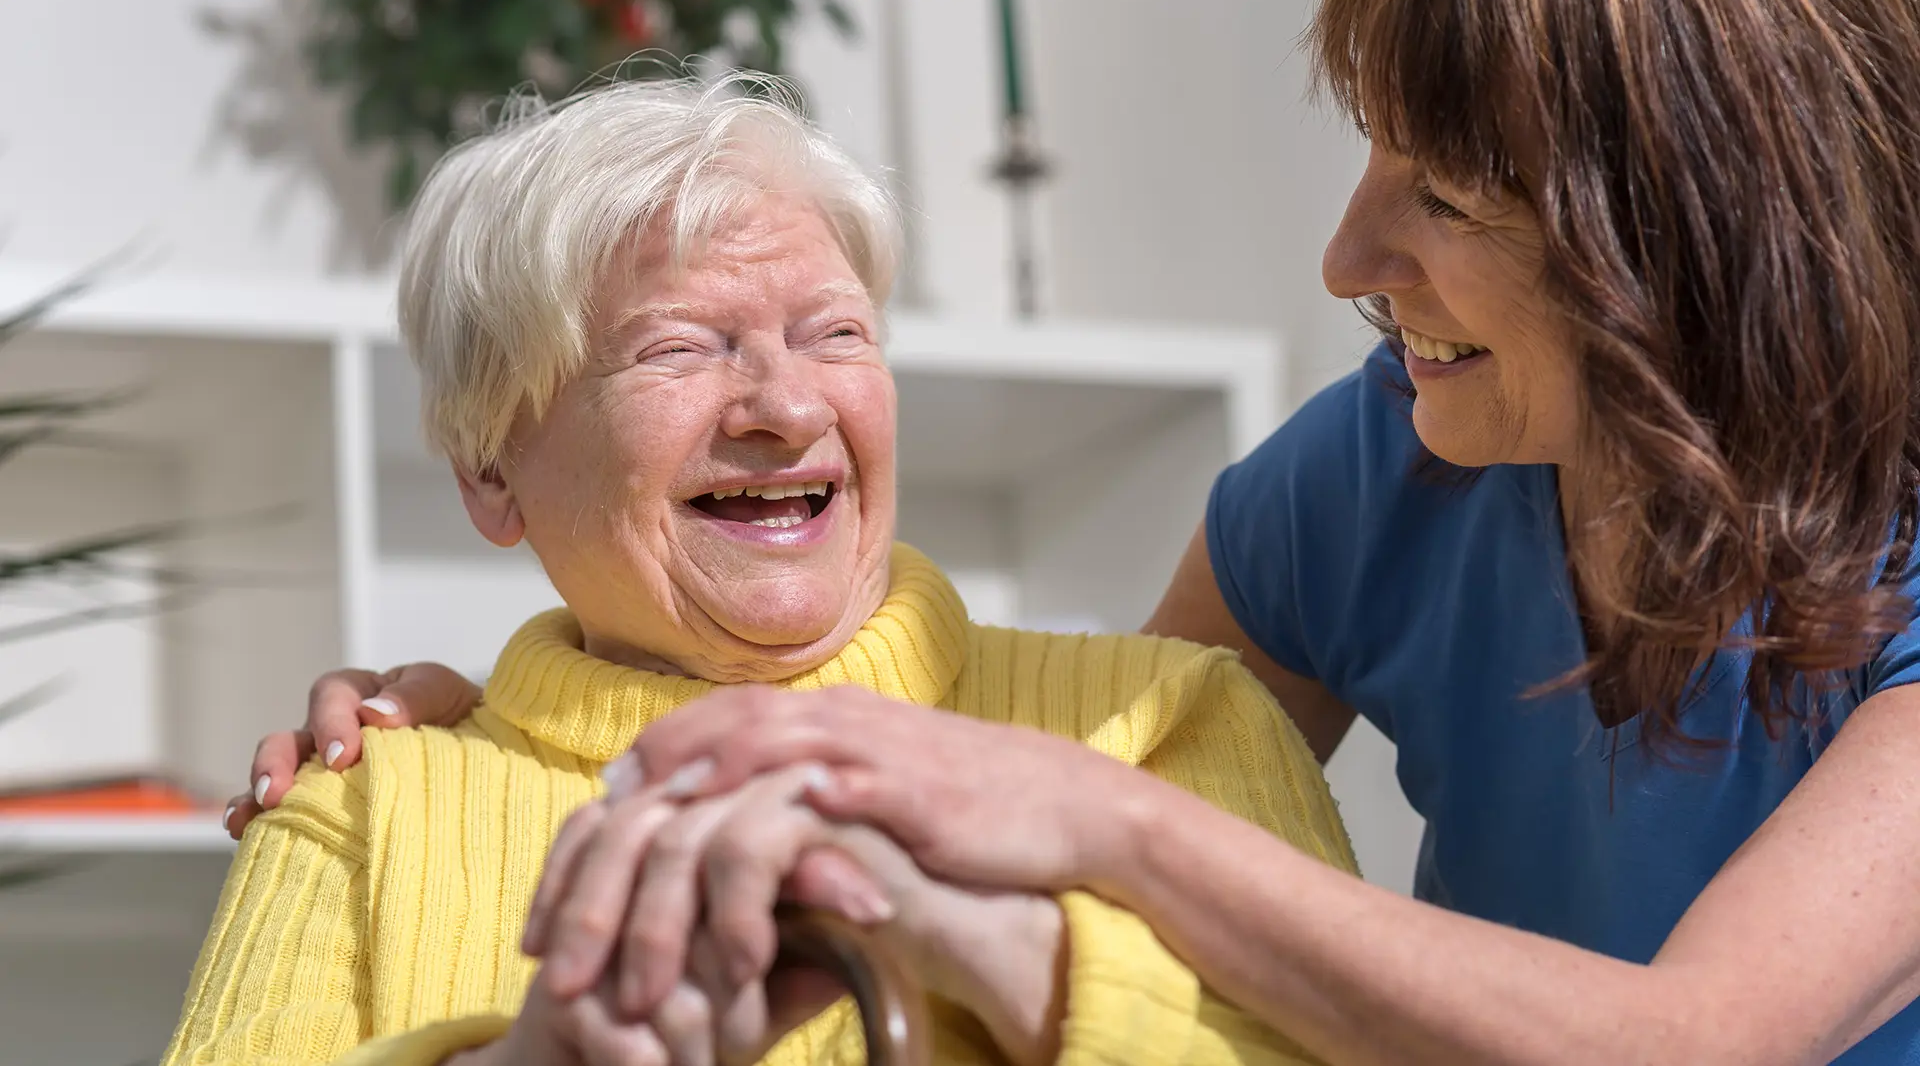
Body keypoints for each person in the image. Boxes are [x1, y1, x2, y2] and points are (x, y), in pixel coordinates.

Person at [235, 0, 1920, 1063]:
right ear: (488, 470)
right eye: (678, 348)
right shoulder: (1377, 471)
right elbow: (1071, 824)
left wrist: (1097, 823)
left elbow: (1696, 1045)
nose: (1345, 255)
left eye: (1449, 194)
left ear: (1685, 247)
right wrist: (517, 716)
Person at [166, 76, 1355, 1066]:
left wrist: (1025, 977)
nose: (789, 407)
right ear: (490, 473)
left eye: (836, 333)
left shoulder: (1174, 726)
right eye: (678, 348)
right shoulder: (366, 806)